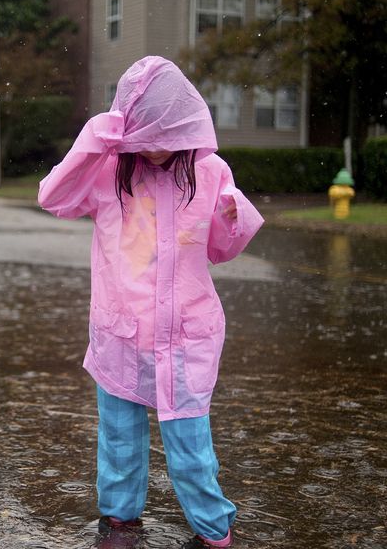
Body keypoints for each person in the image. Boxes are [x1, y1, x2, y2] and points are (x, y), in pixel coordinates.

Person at [37, 56, 264, 548]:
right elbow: (54, 199)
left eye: (168, 136)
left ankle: (212, 527)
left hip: (187, 333)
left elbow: (221, 249)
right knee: (119, 435)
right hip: (122, 330)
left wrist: (233, 213)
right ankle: (119, 521)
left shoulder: (208, 171)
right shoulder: (107, 171)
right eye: (148, 135)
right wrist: (94, 140)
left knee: (190, 443)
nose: (159, 150)